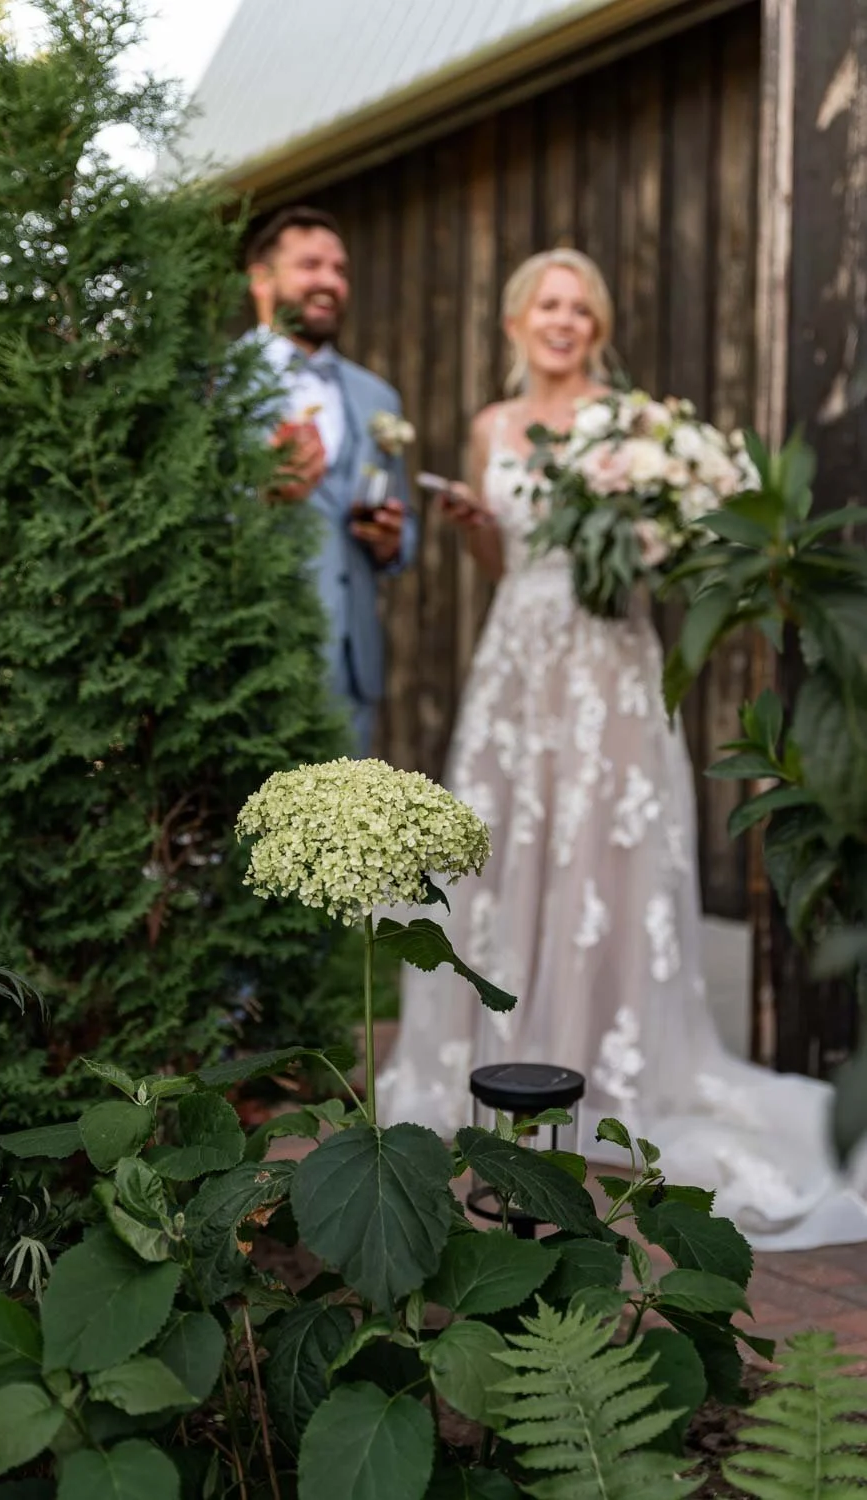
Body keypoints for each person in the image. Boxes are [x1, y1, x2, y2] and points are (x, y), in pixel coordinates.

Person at [376, 248, 867, 1252]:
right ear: (516, 323)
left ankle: (604, 1057)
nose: (564, 322)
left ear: (595, 328)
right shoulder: (489, 426)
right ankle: (504, 1056)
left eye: (581, 310)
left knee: (601, 854)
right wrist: (471, 524)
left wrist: (663, 529)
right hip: (518, 661)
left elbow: (676, 545)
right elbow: (496, 559)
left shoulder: (638, 428)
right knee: (507, 854)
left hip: (606, 663)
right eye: (547, 306)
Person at [243, 206, 417, 756]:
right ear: (261, 278)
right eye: (310, 265)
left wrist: (393, 541)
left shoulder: (378, 398)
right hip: (250, 660)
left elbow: (404, 530)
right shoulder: (213, 387)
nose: (330, 281)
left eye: (339, 269)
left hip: (351, 668)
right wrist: (260, 494)